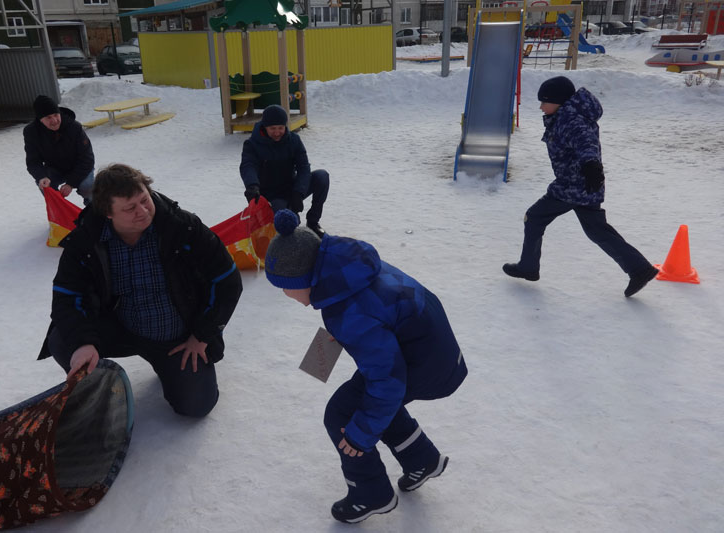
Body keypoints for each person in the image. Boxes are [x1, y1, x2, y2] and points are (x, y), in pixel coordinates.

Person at [264, 209, 468, 523]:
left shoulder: (347, 311)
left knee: (344, 414)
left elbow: (387, 378)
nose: (285, 293)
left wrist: (359, 436)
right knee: (372, 403)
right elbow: (374, 319)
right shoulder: (346, 269)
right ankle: (421, 459)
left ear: (304, 278)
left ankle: (371, 493)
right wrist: (322, 356)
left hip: (425, 365)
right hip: (431, 352)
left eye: (285, 286)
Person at [38, 164, 243, 418]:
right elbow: (67, 297)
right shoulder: (87, 240)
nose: (143, 211)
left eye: (145, 200)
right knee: (62, 339)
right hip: (119, 327)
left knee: (196, 407)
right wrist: (83, 342)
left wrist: (202, 334)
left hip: (176, 338)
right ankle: (99, 390)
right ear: (107, 212)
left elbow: (227, 280)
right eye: (130, 208)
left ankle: (170, 370)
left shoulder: (182, 227)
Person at [503, 76, 658, 297]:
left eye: (544, 101)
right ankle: (639, 269)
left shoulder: (571, 120)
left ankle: (528, 267)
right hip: (583, 185)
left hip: (572, 186)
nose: (541, 107)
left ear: (558, 101)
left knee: (535, 217)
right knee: (597, 230)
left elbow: (587, 143)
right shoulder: (565, 115)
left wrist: (592, 166)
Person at [239, 104, 329, 238]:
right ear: (265, 127)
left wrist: (299, 192)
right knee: (290, 224)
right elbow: (248, 166)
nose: (277, 132)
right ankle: (289, 214)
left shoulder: (294, 140)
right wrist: (252, 185)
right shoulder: (252, 144)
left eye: (280, 128)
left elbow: (303, 167)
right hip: (272, 195)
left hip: (291, 187)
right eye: (272, 128)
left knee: (322, 176)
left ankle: (313, 222)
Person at [24, 95, 95, 204]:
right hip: (55, 169)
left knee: (87, 187)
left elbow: (87, 158)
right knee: (45, 186)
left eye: (56, 115)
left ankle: (94, 210)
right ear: (40, 119)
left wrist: (71, 183)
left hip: (79, 167)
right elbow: (33, 161)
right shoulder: (32, 132)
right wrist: (41, 177)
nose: (54, 120)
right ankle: (60, 210)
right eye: (48, 117)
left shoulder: (74, 127)